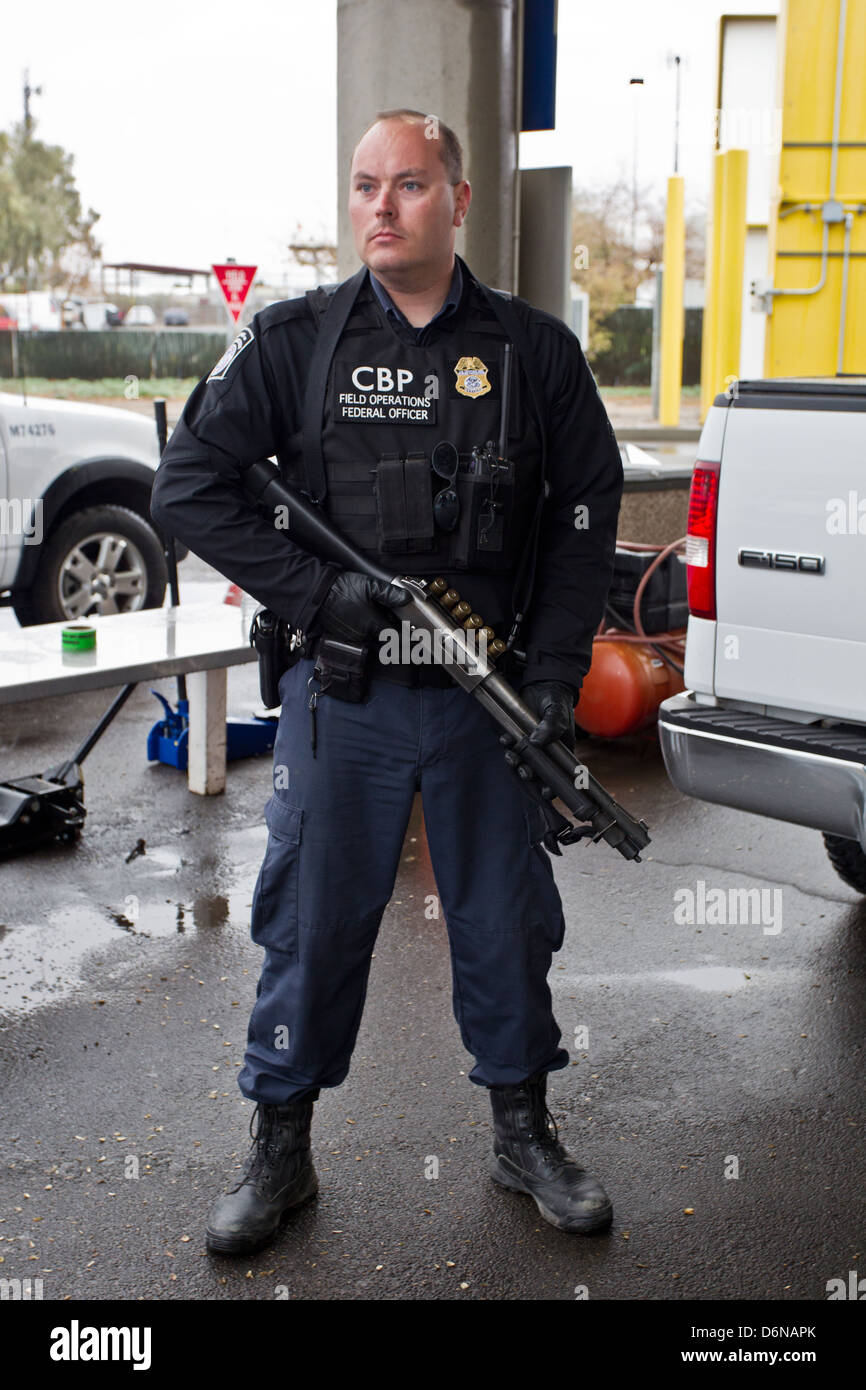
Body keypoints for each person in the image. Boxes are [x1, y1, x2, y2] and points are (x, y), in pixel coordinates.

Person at [149, 108, 624, 1256]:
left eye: (407, 184)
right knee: (310, 924)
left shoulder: (531, 352)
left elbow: (580, 519)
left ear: (457, 200)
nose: (379, 205)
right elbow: (189, 492)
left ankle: (522, 1131)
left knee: (503, 923)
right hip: (344, 694)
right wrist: (321, 596)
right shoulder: (295, 341)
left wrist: (553, 677)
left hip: (485, 692)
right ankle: (280, 1149)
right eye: (364, 184)